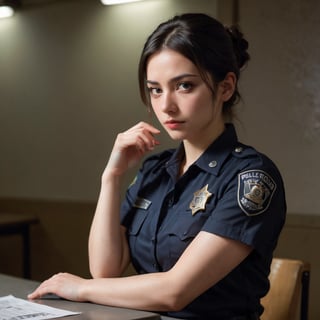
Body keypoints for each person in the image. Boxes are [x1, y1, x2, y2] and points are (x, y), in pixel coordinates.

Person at [29, 13, 286, 320]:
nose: (165, 106)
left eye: (185, 86)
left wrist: (80, 288)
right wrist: (111, 177)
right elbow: (105, 269)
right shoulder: (155, 169)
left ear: (225, 88)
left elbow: (174, 292)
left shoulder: (250, 177)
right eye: (156, 89)